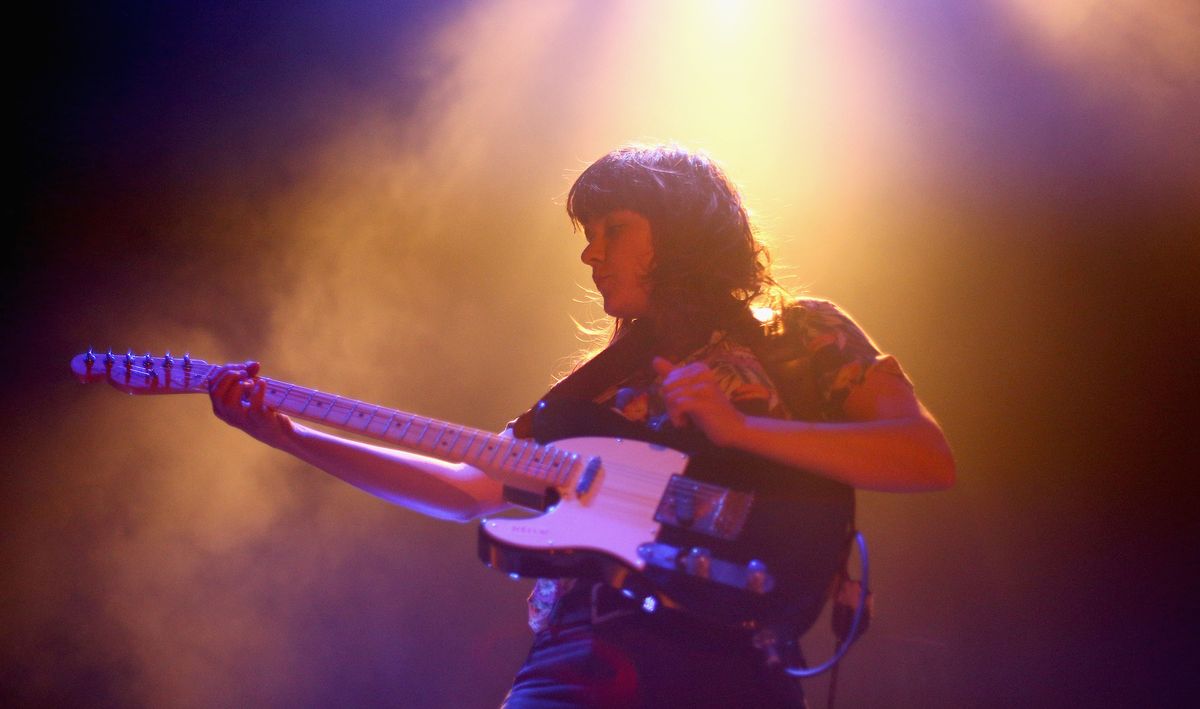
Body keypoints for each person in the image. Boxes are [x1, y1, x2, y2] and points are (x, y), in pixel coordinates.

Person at [209, 144, 955, 707]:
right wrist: (291, 436)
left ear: (682, 229)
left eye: (612, 228)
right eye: (588, 233)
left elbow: (924, 456)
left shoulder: (804, 335)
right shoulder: (588, 392)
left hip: (744, 661)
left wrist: (742, 430)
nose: (590, 252)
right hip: (589, 648)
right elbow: (472, 487)